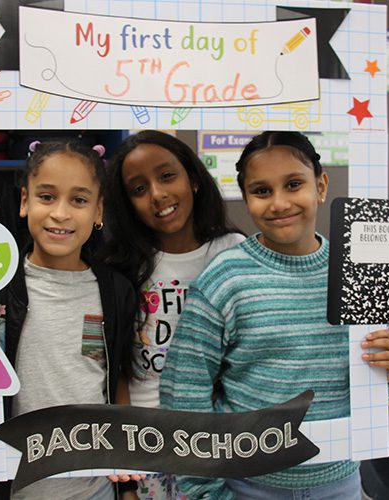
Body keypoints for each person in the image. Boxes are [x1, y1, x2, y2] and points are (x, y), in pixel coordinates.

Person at [159, 131, 389, 500]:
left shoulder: (359, 270)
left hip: (340, 481)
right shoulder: (226, 277)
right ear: (245, 198)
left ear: (320, 186)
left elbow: (373, 380)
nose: (279, 203)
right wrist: (207, 492)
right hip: (247, 485)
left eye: (294, 184)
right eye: (261, 191)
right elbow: (184, 391)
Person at [0, 139, 137, 500]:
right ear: (25, 202)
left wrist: (128, 484)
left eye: (79, 200)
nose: (61, 214)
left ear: (99, 211)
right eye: (47, 197)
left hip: (94, 488)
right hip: (12, 488)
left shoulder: (116, 290)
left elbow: (116, 382)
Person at [98, 130, 244, 499]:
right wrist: (128, 477)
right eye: (138, 189)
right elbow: (118, 373)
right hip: (151, 444)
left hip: (226, 444)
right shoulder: (120, 269)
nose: (158, 195)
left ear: (193, 179)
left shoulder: (233, 253)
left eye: (167, 176)